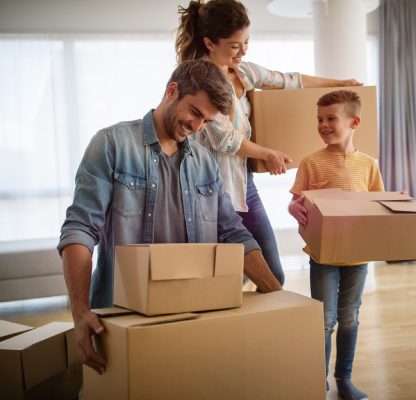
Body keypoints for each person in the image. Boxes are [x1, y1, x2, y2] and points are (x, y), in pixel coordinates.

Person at [57, 59, 282, 375]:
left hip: (192, 317)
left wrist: (279, 296)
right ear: (172, 91)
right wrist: (80, 312)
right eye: (194, 113)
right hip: (121, 320)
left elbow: (232, 232)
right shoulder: (111, 145)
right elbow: (80, 229)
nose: (197, 127)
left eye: (206, 121)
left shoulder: (204, 162)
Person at [176, 0, 362, 287]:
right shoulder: (199, 79)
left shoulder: (244, 72)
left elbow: (289, 80)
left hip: (242, 183)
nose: (244, 50)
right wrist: (268, 154)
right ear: (209, 43)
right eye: (235, 45)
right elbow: (225, 139)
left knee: (272, 274)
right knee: (223, 279)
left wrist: (340, 83)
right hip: (208, 189)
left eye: (246, 42)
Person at [288, 90, 384, 400]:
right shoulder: (311, 162)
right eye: (319, 119)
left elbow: (377, 207)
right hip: (323, 255)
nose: (323, 124)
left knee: (349, 317)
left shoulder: (369, 165)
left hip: (357, 256)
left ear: (354, 121)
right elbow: (296, 201)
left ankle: (344, 378)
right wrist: (294, 208)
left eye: (331, 118)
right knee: (324, 321)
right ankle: (320, 381)